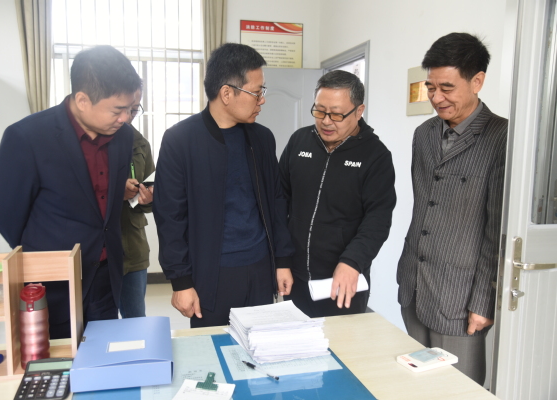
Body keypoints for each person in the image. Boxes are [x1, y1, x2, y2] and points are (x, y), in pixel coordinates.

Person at [0, 45, 141, 338]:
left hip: (106, 276)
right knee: (57, 359)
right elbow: (5, 214)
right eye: (117, 110)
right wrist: (44, 254)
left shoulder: (123, 136)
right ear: (82, 100)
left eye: (131, 109)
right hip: (52, 283)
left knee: (104, 352)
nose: (125, 118)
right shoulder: (28, 137)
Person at [154, 43, 294, 328]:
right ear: (227, 93)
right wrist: (181, 281)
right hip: (212, 274)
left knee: (259, 346)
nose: (262, 100)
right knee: (213, 350)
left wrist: (282, 260)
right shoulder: (180, 140)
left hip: (260, 268)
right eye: (257, 92)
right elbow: (170, 216)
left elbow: (276, 202)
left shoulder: (262, 138)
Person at [397, 32, 508, 385]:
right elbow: (424, 205)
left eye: (447, 88)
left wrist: (484, 301)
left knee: (457, 389)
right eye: (431, 87)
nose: (436, 97)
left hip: (461, 298)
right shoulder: (424, 134)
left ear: (477, 81)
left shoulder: (502, 138)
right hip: (414, 286)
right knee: (415, 384)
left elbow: (496, 230)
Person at [279, 70, 396, 318]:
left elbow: (378, 219)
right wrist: (281, 260)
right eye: (319, 111)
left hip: (343, 280)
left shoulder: (375, 156)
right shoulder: (299, 141)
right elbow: (279, 202)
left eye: (336, 114)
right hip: (295, 276)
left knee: (340, 342)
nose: (326, 121)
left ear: (359, 111)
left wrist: (353, 261)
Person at [120, 89, 154, 318]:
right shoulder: (90, 141)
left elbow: (150, 183)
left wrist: (149, 197)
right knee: (97, 326)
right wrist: (116, 191)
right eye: (126, 108)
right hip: (97, 251)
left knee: (135, 320)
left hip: (133, 248)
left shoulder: (140, 143)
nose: (130, 115)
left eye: (135, 110)